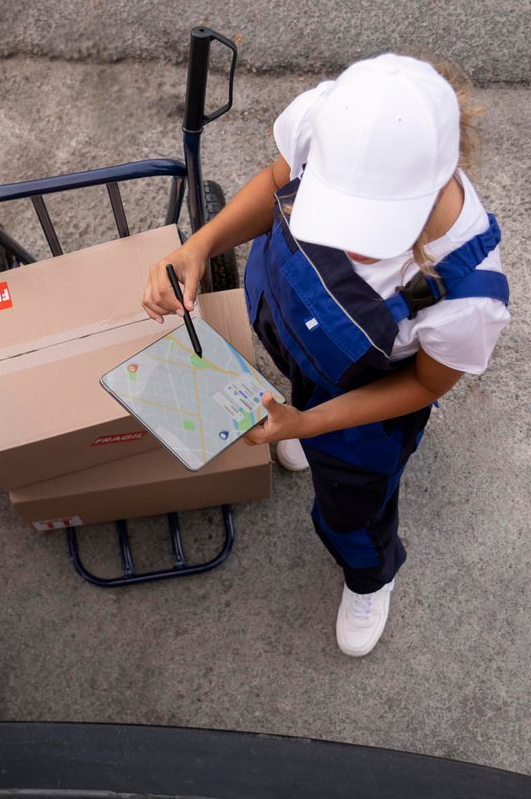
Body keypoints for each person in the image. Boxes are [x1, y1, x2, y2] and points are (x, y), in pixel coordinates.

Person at [146, 54, 509, 657]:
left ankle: (369, 577)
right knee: (297, 384)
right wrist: (199, 247)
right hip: (292, 331)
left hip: (363, 403)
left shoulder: (468, 296)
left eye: (368, 230)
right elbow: (275, 180)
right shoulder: (328, 119)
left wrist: (310, 424)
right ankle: (302, 415)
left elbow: (423, 385)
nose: (340, 240)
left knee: (352, 509)